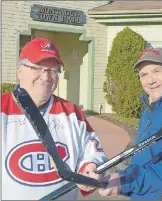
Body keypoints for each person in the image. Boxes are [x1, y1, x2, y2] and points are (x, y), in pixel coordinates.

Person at [1, 38, 107, 200]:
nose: (46, 77)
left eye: (53, 70)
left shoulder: (72, 113)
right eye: (38, 68)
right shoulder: (3, 109)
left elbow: (93, 153)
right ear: (20, 71)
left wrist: (90, 170)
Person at [98, 48, 162, 200]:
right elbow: (144, 160)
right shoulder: (150, 111)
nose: (150, 80)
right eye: (144, 75)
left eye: (156, 71)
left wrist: (126, 181)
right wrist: (119, 180)